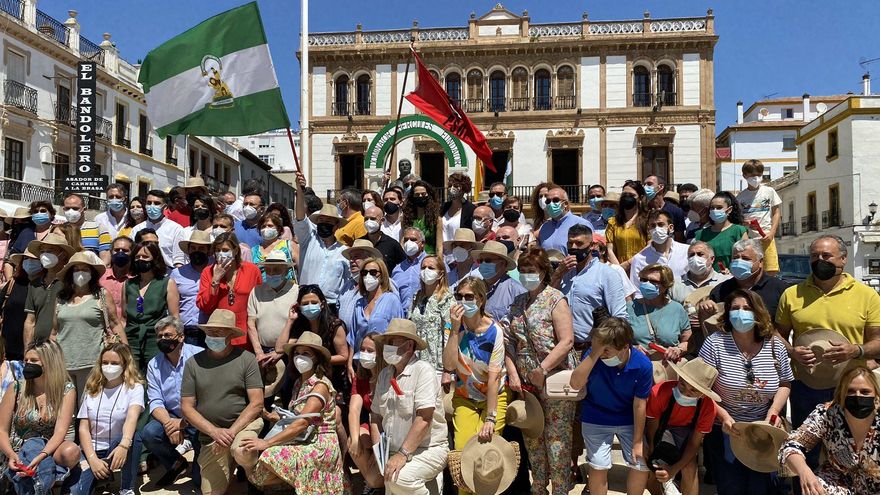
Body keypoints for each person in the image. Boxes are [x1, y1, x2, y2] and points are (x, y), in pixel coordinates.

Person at [776, 235, 880, 470]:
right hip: (805, 386)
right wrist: (792, 352)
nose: (819, 260)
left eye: (826, 256)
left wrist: (856, 350)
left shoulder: (867, 296)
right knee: (804, 451)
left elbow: (878, 341)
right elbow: (776, 334)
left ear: (843, 259)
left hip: (851, 388)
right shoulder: (792, 294)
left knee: (852, 452)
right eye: (814, 256)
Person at [698, 289, 793, 495]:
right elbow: (701, 389)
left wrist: (774, 411)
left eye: (747, 308)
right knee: (731, 486)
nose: (741, 313)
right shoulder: (714, 344)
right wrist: (723, 416)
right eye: (735, 308)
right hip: (725, 430)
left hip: (763, 432)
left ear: (758, 313)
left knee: (762, 488)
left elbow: (785, 382)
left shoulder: (775, 345)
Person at [505, 247, 578, 495]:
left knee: (557, 440)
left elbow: (567, 340)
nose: (527, 275)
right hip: (526, 383)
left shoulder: (555, 299)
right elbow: (509, 342)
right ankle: (538, 487)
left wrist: (543, 369)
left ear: (543, 272)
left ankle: (559, 489)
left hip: (554, 378)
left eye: (531, 271)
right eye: (523, 271)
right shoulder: (518, 302)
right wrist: (513, 372)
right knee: (533, 436)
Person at [234, 332, 343, 493]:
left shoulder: (320, 386)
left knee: (269, 455)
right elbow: (295, 416)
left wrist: (267, 443)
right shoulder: (300, 382)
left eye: (306, 354)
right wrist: (269, 415)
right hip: (304, 439)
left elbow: (302, 423)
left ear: (317, 358)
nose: (300, 358)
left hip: (320, 444)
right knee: (260, 472)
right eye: (297, 353)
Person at [181, 309, 264, 495]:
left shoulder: (247, 359)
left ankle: (253, 474)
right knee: (210, 492)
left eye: (219, 332)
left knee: (242, 450)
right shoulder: (193, 363)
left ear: (231, 335)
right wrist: (214, 432)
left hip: (243, 427)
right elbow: (187, 406)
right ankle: (235, 469)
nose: (213, 335)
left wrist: (231, 433)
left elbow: (257, 403)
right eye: (210, 331)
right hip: (211, 436)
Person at [569, 317, 654, 495]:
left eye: (607, 350)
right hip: (596, 416)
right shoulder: (594, 356)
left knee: (640, 463)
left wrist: (638, 442)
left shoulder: (643, 365)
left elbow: (640, 405)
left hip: (628, 418)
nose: (602, 354)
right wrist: (594, 353)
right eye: (600, 349)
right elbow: (575, 383)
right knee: (599, 465)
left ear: (625, 347)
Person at [442, 277, 510, 495]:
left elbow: (494, 378)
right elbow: (449, 364)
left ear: (480, 300)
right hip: (465, 397)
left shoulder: (495, 331)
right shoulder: (452, 326)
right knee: (463, 454)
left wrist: (491, 417)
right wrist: (454, 330)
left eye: (469, 297)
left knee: (487, 454)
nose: (463, 301)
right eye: (459, 296)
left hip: (493, 396)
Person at [371, 320, 449, 494]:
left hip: (429, 449)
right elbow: (375, 417)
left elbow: (424, 418)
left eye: (392, 342)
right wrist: (379, 453)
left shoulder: (423, 371)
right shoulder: (384, 375)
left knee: (399, 478)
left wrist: (403, 454)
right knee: (390, 479)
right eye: (386, 342)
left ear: (409, 346)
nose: (387, 347)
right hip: (394, 450)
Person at [780, 364, 880, 495]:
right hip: (840, 481)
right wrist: (805, 472)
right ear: (841, 394)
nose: (857, 396)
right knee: (815, 487)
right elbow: (791, 445)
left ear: (876, 395)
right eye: (850, 391)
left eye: (865, 392)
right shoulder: (827, 414)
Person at [0, 339, 81, 495]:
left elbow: (60, 432)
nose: (28, 364)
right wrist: (11, 454)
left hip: (49, 447)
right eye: (26, 360)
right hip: (18, 447)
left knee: (71, 450)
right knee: (31, 447)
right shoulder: (16, 387)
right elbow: (2, 430)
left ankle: (33, 478)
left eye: (34, 360)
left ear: (49, 363)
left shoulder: (66, 390)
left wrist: (42, 455)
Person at [52, 251, 126, 402]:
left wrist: (126, 352)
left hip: (92, 364)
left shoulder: (101, 295)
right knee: (66, 415)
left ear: (92, 273)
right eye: (76, 269)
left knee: (89, 412)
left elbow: (115, 323)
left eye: (84, 269)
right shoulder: (61, 298)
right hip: (63, 365)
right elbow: (54, 331)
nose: (80, 272)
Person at [71, 343, 143, 495]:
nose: (109, 366)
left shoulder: (134, 388)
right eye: (105, 362)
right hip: (92, 451)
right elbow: (83, 428)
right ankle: (102, 476)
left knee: (134, 438)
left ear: (125, 364)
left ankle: (127, 489)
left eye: (115, 363)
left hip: (116, 448)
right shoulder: (92, 389)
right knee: (78, 492)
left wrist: (123, 446)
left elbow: (132, 418)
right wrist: (93, 460)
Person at [139, 316, 203, 488]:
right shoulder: (154, 364)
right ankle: (176, 463)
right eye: (160, 336)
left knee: (199, 482)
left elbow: (206, 397)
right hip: (172, 415)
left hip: (199, 417)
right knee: (150, 433)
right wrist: (169, 423)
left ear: (181, 337)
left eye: (168, 335)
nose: (163, 340)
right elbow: (155, 400)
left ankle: (199, 459)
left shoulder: (199, 356)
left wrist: (183, 423)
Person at [643, 358, 720, 495]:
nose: (685, 392)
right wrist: (653, 450)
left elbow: (694, 443)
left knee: (690, 467)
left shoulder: (708, 408)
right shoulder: (659, 392)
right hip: (659, 428)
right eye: (683, 385)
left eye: (693, 390)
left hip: (685, 433)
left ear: (703, 394)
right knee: (653, 465)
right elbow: (651, 427)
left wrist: (674, 469)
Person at [552, 224, 627, 348]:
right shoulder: (563, 272)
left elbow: (619, 315)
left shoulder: (607, 274)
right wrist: (558, 274)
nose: (573, 247)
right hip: (561, 348)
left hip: (592, 347)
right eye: (570, 244)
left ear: (592, 246)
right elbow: (546, 301)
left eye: (579, 243)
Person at [294, 172, 351, 312]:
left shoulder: (344, 252)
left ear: (336, 226)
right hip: (306, 302)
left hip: (331, 307)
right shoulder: (308, 239)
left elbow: (347, 282)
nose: (324, 224)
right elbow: (300, 217)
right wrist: (299, 191)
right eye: (321, 221)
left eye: (328, 222)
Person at [196, 232, 262, 351]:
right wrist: (215, 280)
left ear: (235, 250)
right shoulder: (207, 272)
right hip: (219, 337)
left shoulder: (252, 270)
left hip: (246, 335)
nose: (221, 253)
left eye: (225, 249)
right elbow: (204, 306)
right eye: (218, 250)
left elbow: (260, 303)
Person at [700, 238, 789, 325]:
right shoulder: (720, 290)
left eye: (745, 258)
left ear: (761, 262)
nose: (739, 262)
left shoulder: (780, 289)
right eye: (735, 258)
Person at [122, 241, 180, 371]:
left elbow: (174, 316)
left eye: (145, 256)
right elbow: (124, 317)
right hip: (132, 338)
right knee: (132, 374)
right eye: (137, 257)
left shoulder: (167, 283)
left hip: (156, 338)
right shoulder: (128, 284)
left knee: (155, 372)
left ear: (155, 258)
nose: (140, 259)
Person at [246, 252, 299, 380]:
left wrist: (280, 352)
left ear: (286, 271)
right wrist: (259, 352)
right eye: (268, 270)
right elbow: (251, 323)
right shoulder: (256, 291)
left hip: (288, 352)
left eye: (276, 270)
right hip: (262, 353)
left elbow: (299, 328)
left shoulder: (297, 291)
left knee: (287, 392)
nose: (271, 273)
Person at [627, 264, 691, 363]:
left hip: (668, 367)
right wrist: (633, 349)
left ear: (665, 286)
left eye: (653, 281)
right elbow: (617, 342)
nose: (646, 284)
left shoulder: (677, 309)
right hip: (639, 365)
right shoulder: (629, 308)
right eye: (644, 280)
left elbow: (688, 342)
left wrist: (678, 350)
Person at [23, 233, 76, 346]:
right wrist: (27, 349)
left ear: (62, 254)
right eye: (42, 251)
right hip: (38, 348)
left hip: (62, 347)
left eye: (50, 251)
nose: (45, 255)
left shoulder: (71, 283)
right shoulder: (34, 285)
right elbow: (30, 321)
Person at [347, 257, 403, 361]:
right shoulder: (359, 303)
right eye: (364, 272)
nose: (368, 276)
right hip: (361, 360)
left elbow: (398, 334)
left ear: (382, 275)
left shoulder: (392, 300)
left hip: (383, 361)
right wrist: (350, 362)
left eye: (373, 272)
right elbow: (353, 336)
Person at [348, 333, 383, 492]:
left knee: (376, 478)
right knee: (355, 440)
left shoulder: (388, 375)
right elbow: (354, 410)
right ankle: (371, 482)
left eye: (370, 350)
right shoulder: (361, 376)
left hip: (388, 429)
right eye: (362, 349)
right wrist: (355, 439)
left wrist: (378, 451)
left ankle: (374, 481)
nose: (364, 354)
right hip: (372, 424)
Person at [409, 254, 454, 374]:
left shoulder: (447, 299)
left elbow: (448, 331)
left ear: (441, 274)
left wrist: (447, 371)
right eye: (423, 268)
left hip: (437, 364)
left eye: (431, 268)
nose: (426, 271)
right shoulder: (416, 297)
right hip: (416, 362)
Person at [628, 210, 689, 297]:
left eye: (660, 224)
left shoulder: (686, 251)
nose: (656, 229)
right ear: (649, 229)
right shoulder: (640, 259)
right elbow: (637, 291)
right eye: (653, 226)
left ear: (670, 228)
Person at [737, 160, 781, 276]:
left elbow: (776, 212)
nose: (756, 178)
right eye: (752, 175)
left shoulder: (769, 191)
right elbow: (736, 218)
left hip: (766, 237)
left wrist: (772, 233)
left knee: (771, 271)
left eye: (759, 175)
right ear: (744, 175)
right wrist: (744, 222)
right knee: (750, 270)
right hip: (749, 240)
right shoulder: (741, 197)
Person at [469, 240, 527, 322]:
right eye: (480, 261)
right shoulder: (473, 288)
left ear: (502, 263)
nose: (483, 264)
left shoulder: (517, 291)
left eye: (488, 260)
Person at [171, 231, 211, 347]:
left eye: (201, 248)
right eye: (193, 248)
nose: (196, 251)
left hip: (211, 330)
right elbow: (173, 305)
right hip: (187, 330)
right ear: (188, 251)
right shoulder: (177, 273)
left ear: (208, 251)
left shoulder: (216, 271)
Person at [1, 251, 41, 360]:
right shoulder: (13, 283)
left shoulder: (45, 287)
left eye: (34, 260)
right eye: (26, 259)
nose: (30, 263)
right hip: (7, 350)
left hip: (34, 353)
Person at [130, 190, 185, 268]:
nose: (152, 206)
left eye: (156, 203)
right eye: (149, 203)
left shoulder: (176, 229)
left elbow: (179, 260)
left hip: (167, 275)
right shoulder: (136, 229)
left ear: (165, 207)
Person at [695, 191, 749, 272]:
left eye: (719, 207)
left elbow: (746, 258)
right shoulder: (701, 234)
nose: (715, 210)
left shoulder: (739, 231)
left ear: (729, 209)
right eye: (712, 208)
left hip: (732, 278)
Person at [606, 180, 649, 269]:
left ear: (640, 198)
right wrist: (619, 269)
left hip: (642, 269)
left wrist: (628, 264)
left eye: (632, 195)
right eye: (624, 195)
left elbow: (650, 247)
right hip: (618, 269)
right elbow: (610, 249)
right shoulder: (613, 222)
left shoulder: (648, 220)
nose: (627, 198)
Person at [537, 186, 592, 254]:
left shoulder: (582, 224)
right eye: (548, 201)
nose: (551, 204)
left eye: (555, 200)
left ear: (565, 204)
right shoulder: (544, 227)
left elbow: (591, 252)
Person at [63, 193, 113, 263]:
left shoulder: (99, 228)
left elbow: (105, 260)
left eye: (75, 208)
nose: (70, 211)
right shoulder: (59, 230)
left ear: (84, 209)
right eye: (67, 208)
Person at [391, 228, 427, 313]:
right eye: (406, 240)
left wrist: (449, 326)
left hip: (425, 318)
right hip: (402, 319)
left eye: (413, 239)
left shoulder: (432, 264)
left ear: (422, 244)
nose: (409, 242)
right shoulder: (397, 269)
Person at [251, 213, 295, 280]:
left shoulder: (289, 245)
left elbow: (301, 268)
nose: (266, 228)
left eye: (270, 226)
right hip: (261, 288)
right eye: (263, 226)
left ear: (278, 228)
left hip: (286, 288)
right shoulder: (254, 250)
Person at [362, 204, 406, 273]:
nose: (368, 222)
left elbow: (404, 265)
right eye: (366, 219)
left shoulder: (392, 244)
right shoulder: (359, 242)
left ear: (382, 221)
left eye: (373, 219)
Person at [643, 175, 686, 243]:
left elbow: (679, 238)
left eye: (649, 184)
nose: (645, 187)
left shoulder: (676, 211)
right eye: (644, 184)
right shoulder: (642, 210)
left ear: (660, 187)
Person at [401, 180, 440, 255]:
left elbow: (439, 245)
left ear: (429, 195)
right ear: (412, 196)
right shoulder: (405, 218)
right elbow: (402, 241)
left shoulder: (436, 219)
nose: (420, 196)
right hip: (411, 259)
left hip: (430, 259)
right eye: (417, 194)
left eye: (423, 194)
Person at [101, 237, 133, 321]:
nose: (120, 253)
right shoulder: (100, 277)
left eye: (125, 250)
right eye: (117, 250)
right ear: (111, 252)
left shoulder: (136, 280)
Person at [441, 172, 475, 244]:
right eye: (450, 186)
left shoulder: (470, 209)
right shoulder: (443, 207)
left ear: (464, 188)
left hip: (460, 251)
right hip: (443, 252)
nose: (452, 189)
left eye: (456, 186)